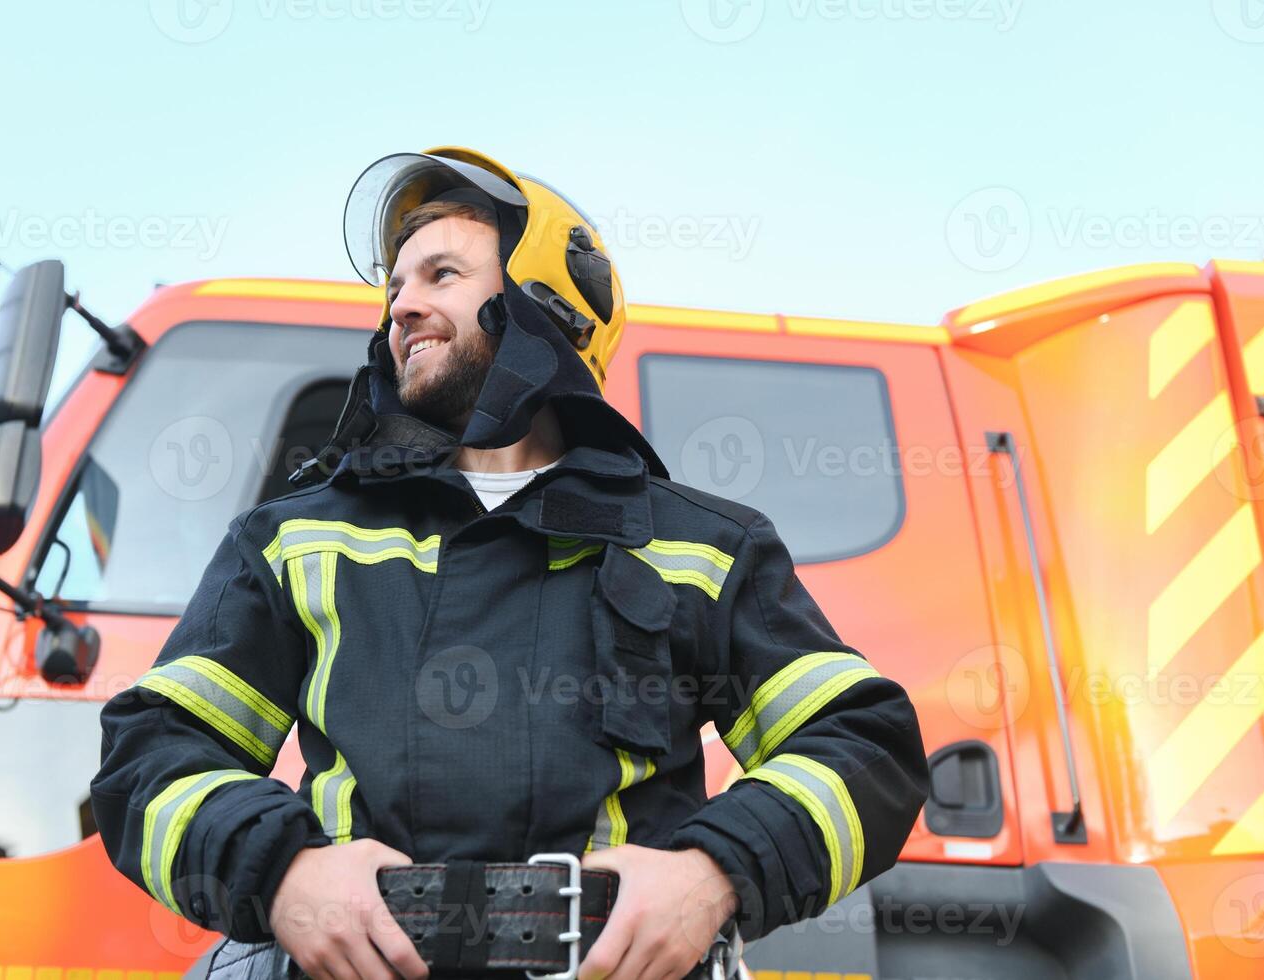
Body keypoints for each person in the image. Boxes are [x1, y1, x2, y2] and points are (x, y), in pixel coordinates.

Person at [91, 146, 930, 980]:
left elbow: (866, 748)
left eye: (440, 275)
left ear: (547, 305)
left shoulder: (702, 548)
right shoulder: (294, 540)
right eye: (393, 290)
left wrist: (713, 874)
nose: (400, 309)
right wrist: (281, 871)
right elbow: (148, 759)